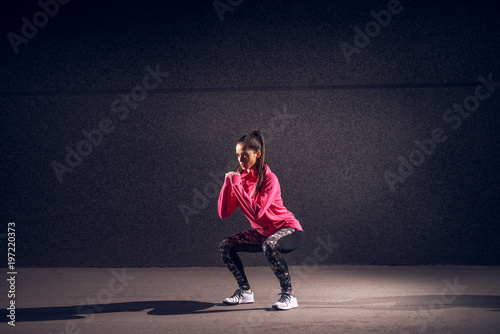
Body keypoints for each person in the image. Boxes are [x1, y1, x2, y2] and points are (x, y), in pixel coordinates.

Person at [218, 130, 304, 310]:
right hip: (264, 232)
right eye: (238, 155)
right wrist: (228, 185)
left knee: (270, 245)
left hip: (288, 229)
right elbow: (224, 213)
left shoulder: (270, 179)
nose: (241, 159)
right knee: (226, 245)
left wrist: (236, 185)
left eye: (245, 155)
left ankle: (289, 295)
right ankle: (245, 291)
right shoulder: (240, 179)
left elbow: (257, 214)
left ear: (257, 154)